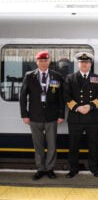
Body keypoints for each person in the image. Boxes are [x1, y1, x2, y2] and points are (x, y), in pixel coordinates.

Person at [19, 51, 65, 180]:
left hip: (52, 116)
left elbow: (61, 97)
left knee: (52, 145)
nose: (43, 63)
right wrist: (24, 115)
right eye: (41, 61)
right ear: (37, 62)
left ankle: (50, 169)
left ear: (49, 61)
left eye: (46, 60)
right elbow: (23, 97)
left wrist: (61, 114)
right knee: (38, 145)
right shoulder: (29, 76)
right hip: (34, 116)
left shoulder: (56, 76)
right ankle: (40, 169)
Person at [63, 52, 98, 178]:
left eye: (86, 62)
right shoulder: (70, 78)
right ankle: (73, 169)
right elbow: (66, 95)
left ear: (90, 64)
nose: (84, 64)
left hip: (91, 117)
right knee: (73, 146)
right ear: (78, 64)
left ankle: (94, 168)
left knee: (93, 145)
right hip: (75, 117)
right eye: (82, 62)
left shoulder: (97, 78)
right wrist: (77, 107)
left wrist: (90, 106)